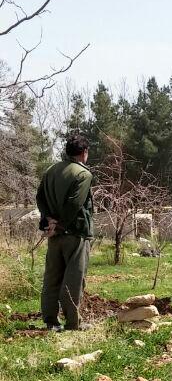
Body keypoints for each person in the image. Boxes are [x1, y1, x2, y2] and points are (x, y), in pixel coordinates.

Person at [36, 132, 94, 331]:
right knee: (74, 278)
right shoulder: (83, 174)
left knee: (52, 277)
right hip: (75, 233)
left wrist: (47, 221)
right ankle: (72, 323)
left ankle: (50, 321)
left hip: (54, 235)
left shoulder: (51, 170)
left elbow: (40, 198)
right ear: (84, 152)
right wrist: (60, 225)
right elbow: (74, 204)